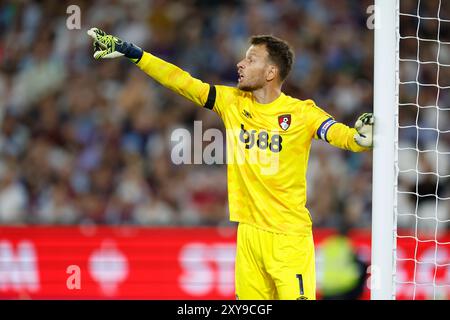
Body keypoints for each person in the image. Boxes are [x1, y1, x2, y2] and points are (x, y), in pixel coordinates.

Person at [87, 28, 374, 300]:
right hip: (248, 234)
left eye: (250, 59)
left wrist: (359, 139)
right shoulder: (233, 102)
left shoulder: (301, 113)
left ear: (271, 71)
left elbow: (337, 133)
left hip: (289, 238)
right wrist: (135, 54)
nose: (240, 63)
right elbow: (182, 82)